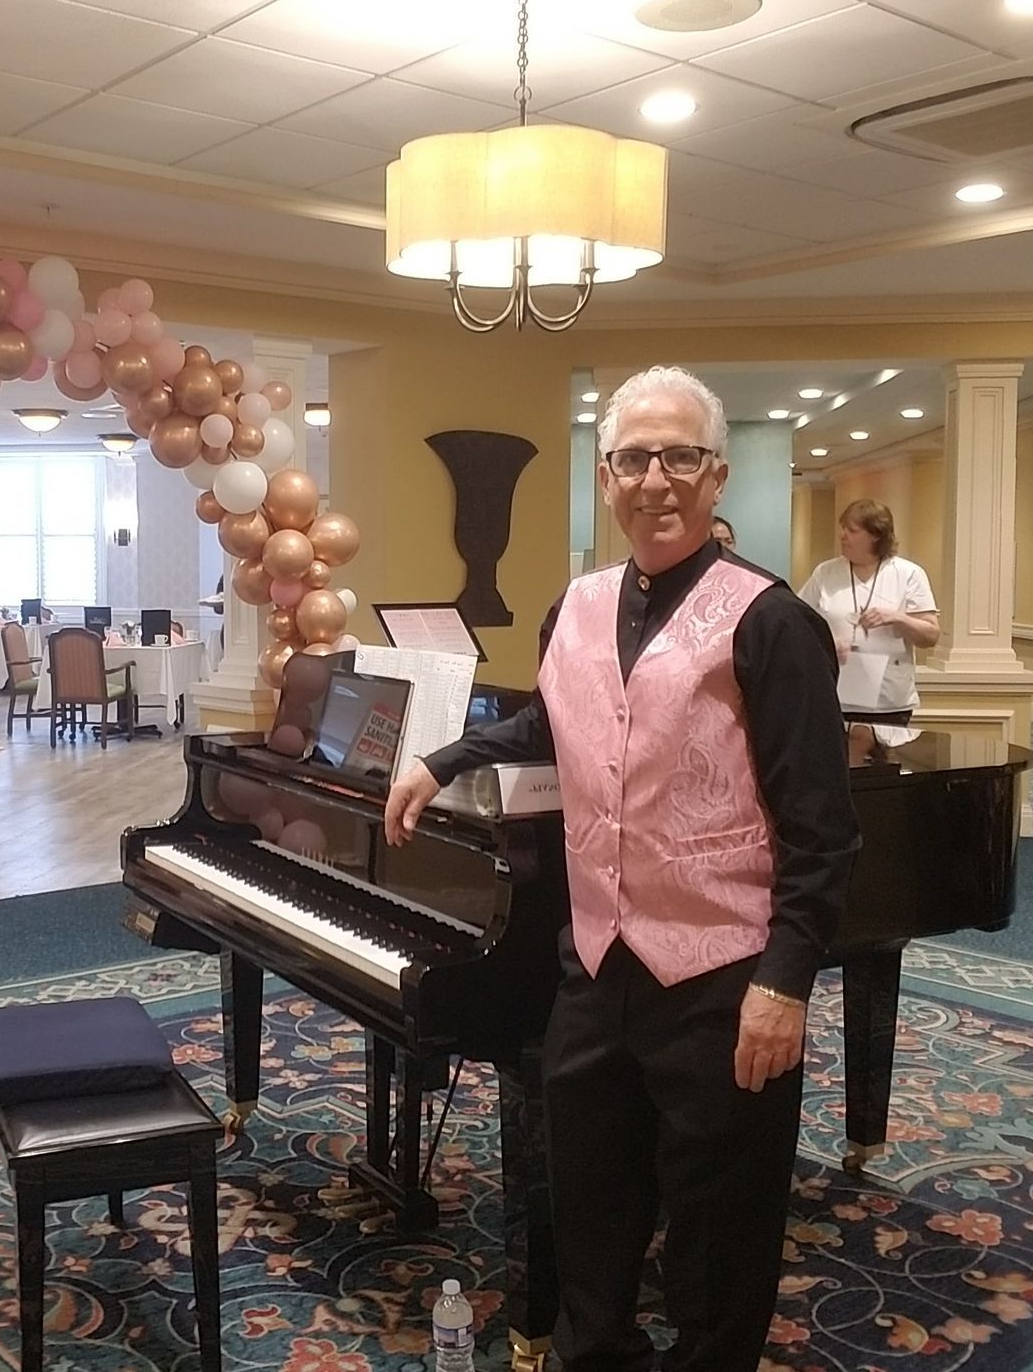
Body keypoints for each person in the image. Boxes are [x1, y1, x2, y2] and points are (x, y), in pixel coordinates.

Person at [385, 366, 859, 1372]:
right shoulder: (578, 604)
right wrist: (444, 757)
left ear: (716, 474)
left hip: (723, 979)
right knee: (591, 1213)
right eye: (634, 459)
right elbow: (553, 723)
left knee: (718, 1240)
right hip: (597, 969)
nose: (656, 480)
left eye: (680, 456)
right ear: (605, 478)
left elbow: (822, 831)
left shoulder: (772, 621)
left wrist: (784, 984)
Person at [797, 499, 939, 761]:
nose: (843, 536)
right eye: (843, 528)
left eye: (852, 530)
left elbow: (930, 635)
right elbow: (798, 624)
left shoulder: (908, 574)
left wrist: (898, 618)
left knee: (882, 772)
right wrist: (826, 642)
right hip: (835, 694)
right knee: (832, 766)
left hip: (888, 701)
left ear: (875, 535)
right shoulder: (826, 573)